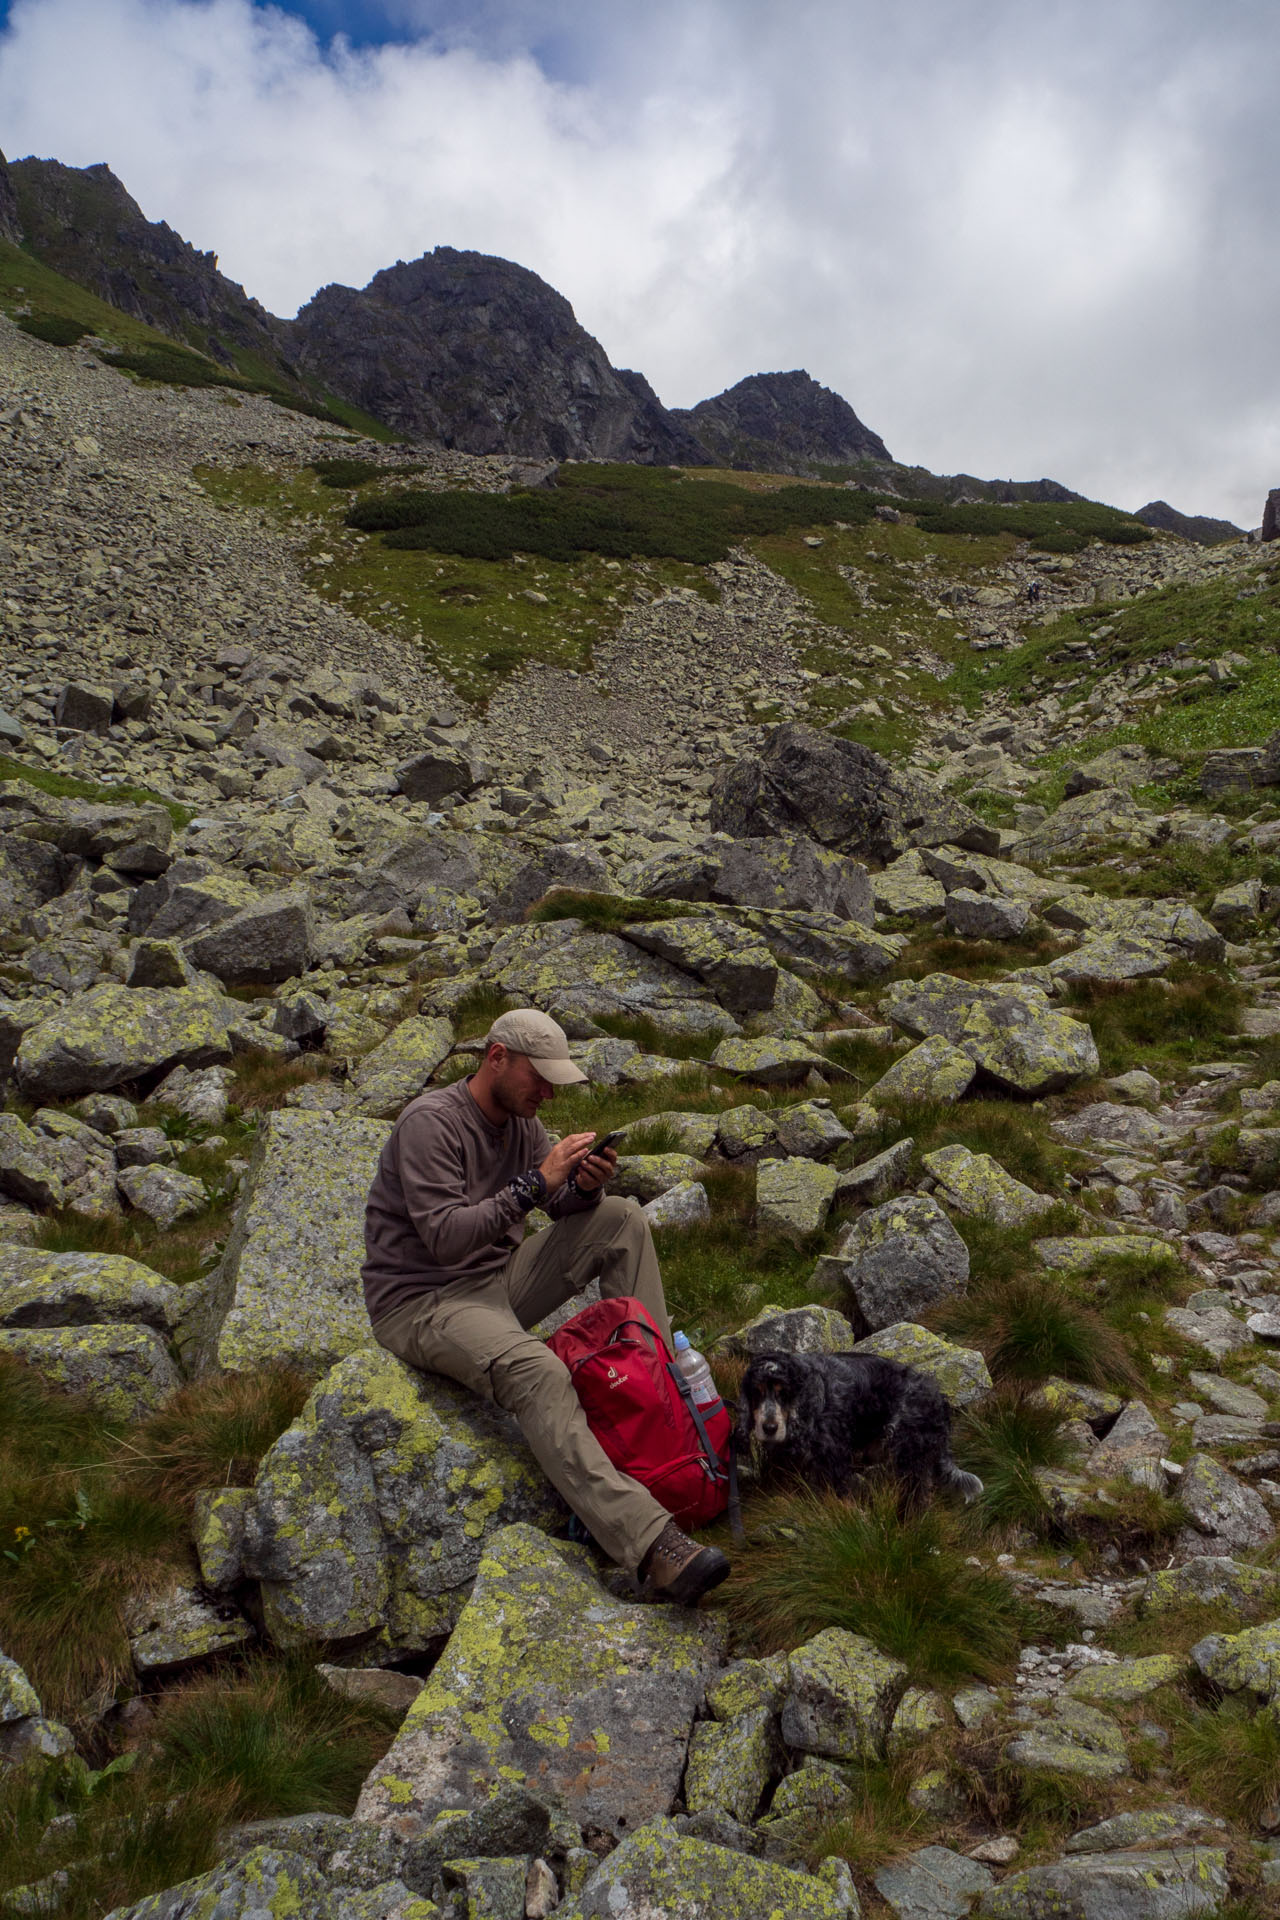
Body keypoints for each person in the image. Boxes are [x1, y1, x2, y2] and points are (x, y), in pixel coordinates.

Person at [362, 1007, 730, 1606]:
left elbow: (556, 1214)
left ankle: (672, 1422)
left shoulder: (522, 1123)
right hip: (424, 1300)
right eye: (541, 1077)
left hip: (495, 1279)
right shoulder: (430, 1123)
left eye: (556, 1081)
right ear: (497, 1058)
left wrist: (583, 1187)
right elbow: (447, 1238)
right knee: (536, 1369)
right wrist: (536, 1182)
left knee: (621, 1220)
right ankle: (650, 1544)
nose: (548, 1093)